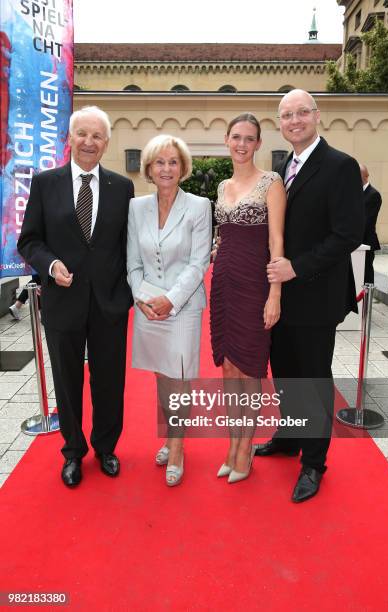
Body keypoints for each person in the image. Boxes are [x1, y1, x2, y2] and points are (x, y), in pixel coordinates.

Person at [255, 89, 364, 502]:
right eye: (286, 115)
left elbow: (347, 234)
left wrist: (297, 267)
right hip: (282, 296)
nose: (294, 120)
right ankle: (290, 435)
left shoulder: (340, 166)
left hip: (316, 296)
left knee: (314, 377)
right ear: (280, 124)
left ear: (317, 116)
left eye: (302, 112)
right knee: (283, 371)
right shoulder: (285, 166)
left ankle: (314, 462)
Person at [18, 105, 134, 487]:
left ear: (106, 143)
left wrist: (131, 292)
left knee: (109, 380)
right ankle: (73, 451)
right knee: (67, 381)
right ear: (69, 138)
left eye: (97, 136)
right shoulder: (45, 183)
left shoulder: (122, 187)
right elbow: (29, 240)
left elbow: (126, 246)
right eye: (82, 134)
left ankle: (105, 447)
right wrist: (50, 266)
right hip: (62, 302)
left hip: (109, 302)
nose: (89, 142)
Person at [127, 134, 212, 487]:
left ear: (183, 168)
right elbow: (132, 261)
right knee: (163, 379)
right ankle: (170, 436)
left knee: (180, 380)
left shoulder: (199, 206)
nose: (166, 168)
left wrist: (171, 300)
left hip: (183, 308)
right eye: (159, 162)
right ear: (149, 168)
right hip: (149, 308)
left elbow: (198, 262)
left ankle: (177, 448)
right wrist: (141, 298)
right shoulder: (136, 208)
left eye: (173, 162)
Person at [210, 113, 286, 483]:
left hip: (256, 284)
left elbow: (277, 242)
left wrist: (275, 293)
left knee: (250, 368)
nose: (242, 144)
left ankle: (246, 448)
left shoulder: (271, 182)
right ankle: (231, 443)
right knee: (227, 367)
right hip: (224, 281)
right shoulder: (222, 186)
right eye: (236, 137)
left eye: (249, 138)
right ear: (226, 139)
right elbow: (223, 238)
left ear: (258, 144)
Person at [360, 163, 382, 284]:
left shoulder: (373, 195)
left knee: (366, 274)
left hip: (366, 242)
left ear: (364, 176)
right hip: (355, 243)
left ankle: (367, 301)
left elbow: (366, 221)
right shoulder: (355, 194)